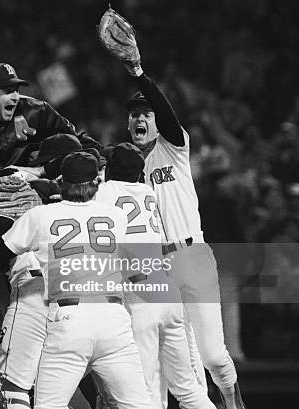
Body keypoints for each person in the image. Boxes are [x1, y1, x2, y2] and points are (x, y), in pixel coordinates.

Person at [0, 152, 155, 409]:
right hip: (114, 320)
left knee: (48, 405)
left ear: (61, 182)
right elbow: (139, 275)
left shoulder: (41, 215)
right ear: (96, 184)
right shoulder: (116, 216)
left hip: (70, 319)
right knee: (139, 405)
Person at [119, 61, 246, 408]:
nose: (139, 119)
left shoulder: (173, 146)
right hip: (156, 268)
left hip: (192, 255)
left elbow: (166, 111)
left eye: (145, 113)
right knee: (182, 368)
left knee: (213, 356)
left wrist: (139, 75)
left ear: (158, 120)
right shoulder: (125, 164)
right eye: (133, 115)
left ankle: (233, 398)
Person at [96, 142, 216, 409]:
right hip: (167, 291)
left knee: (145, 389)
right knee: (187, 388)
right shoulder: (148, 192)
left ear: (110, 170)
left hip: (141, 296)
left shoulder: (105, 191)